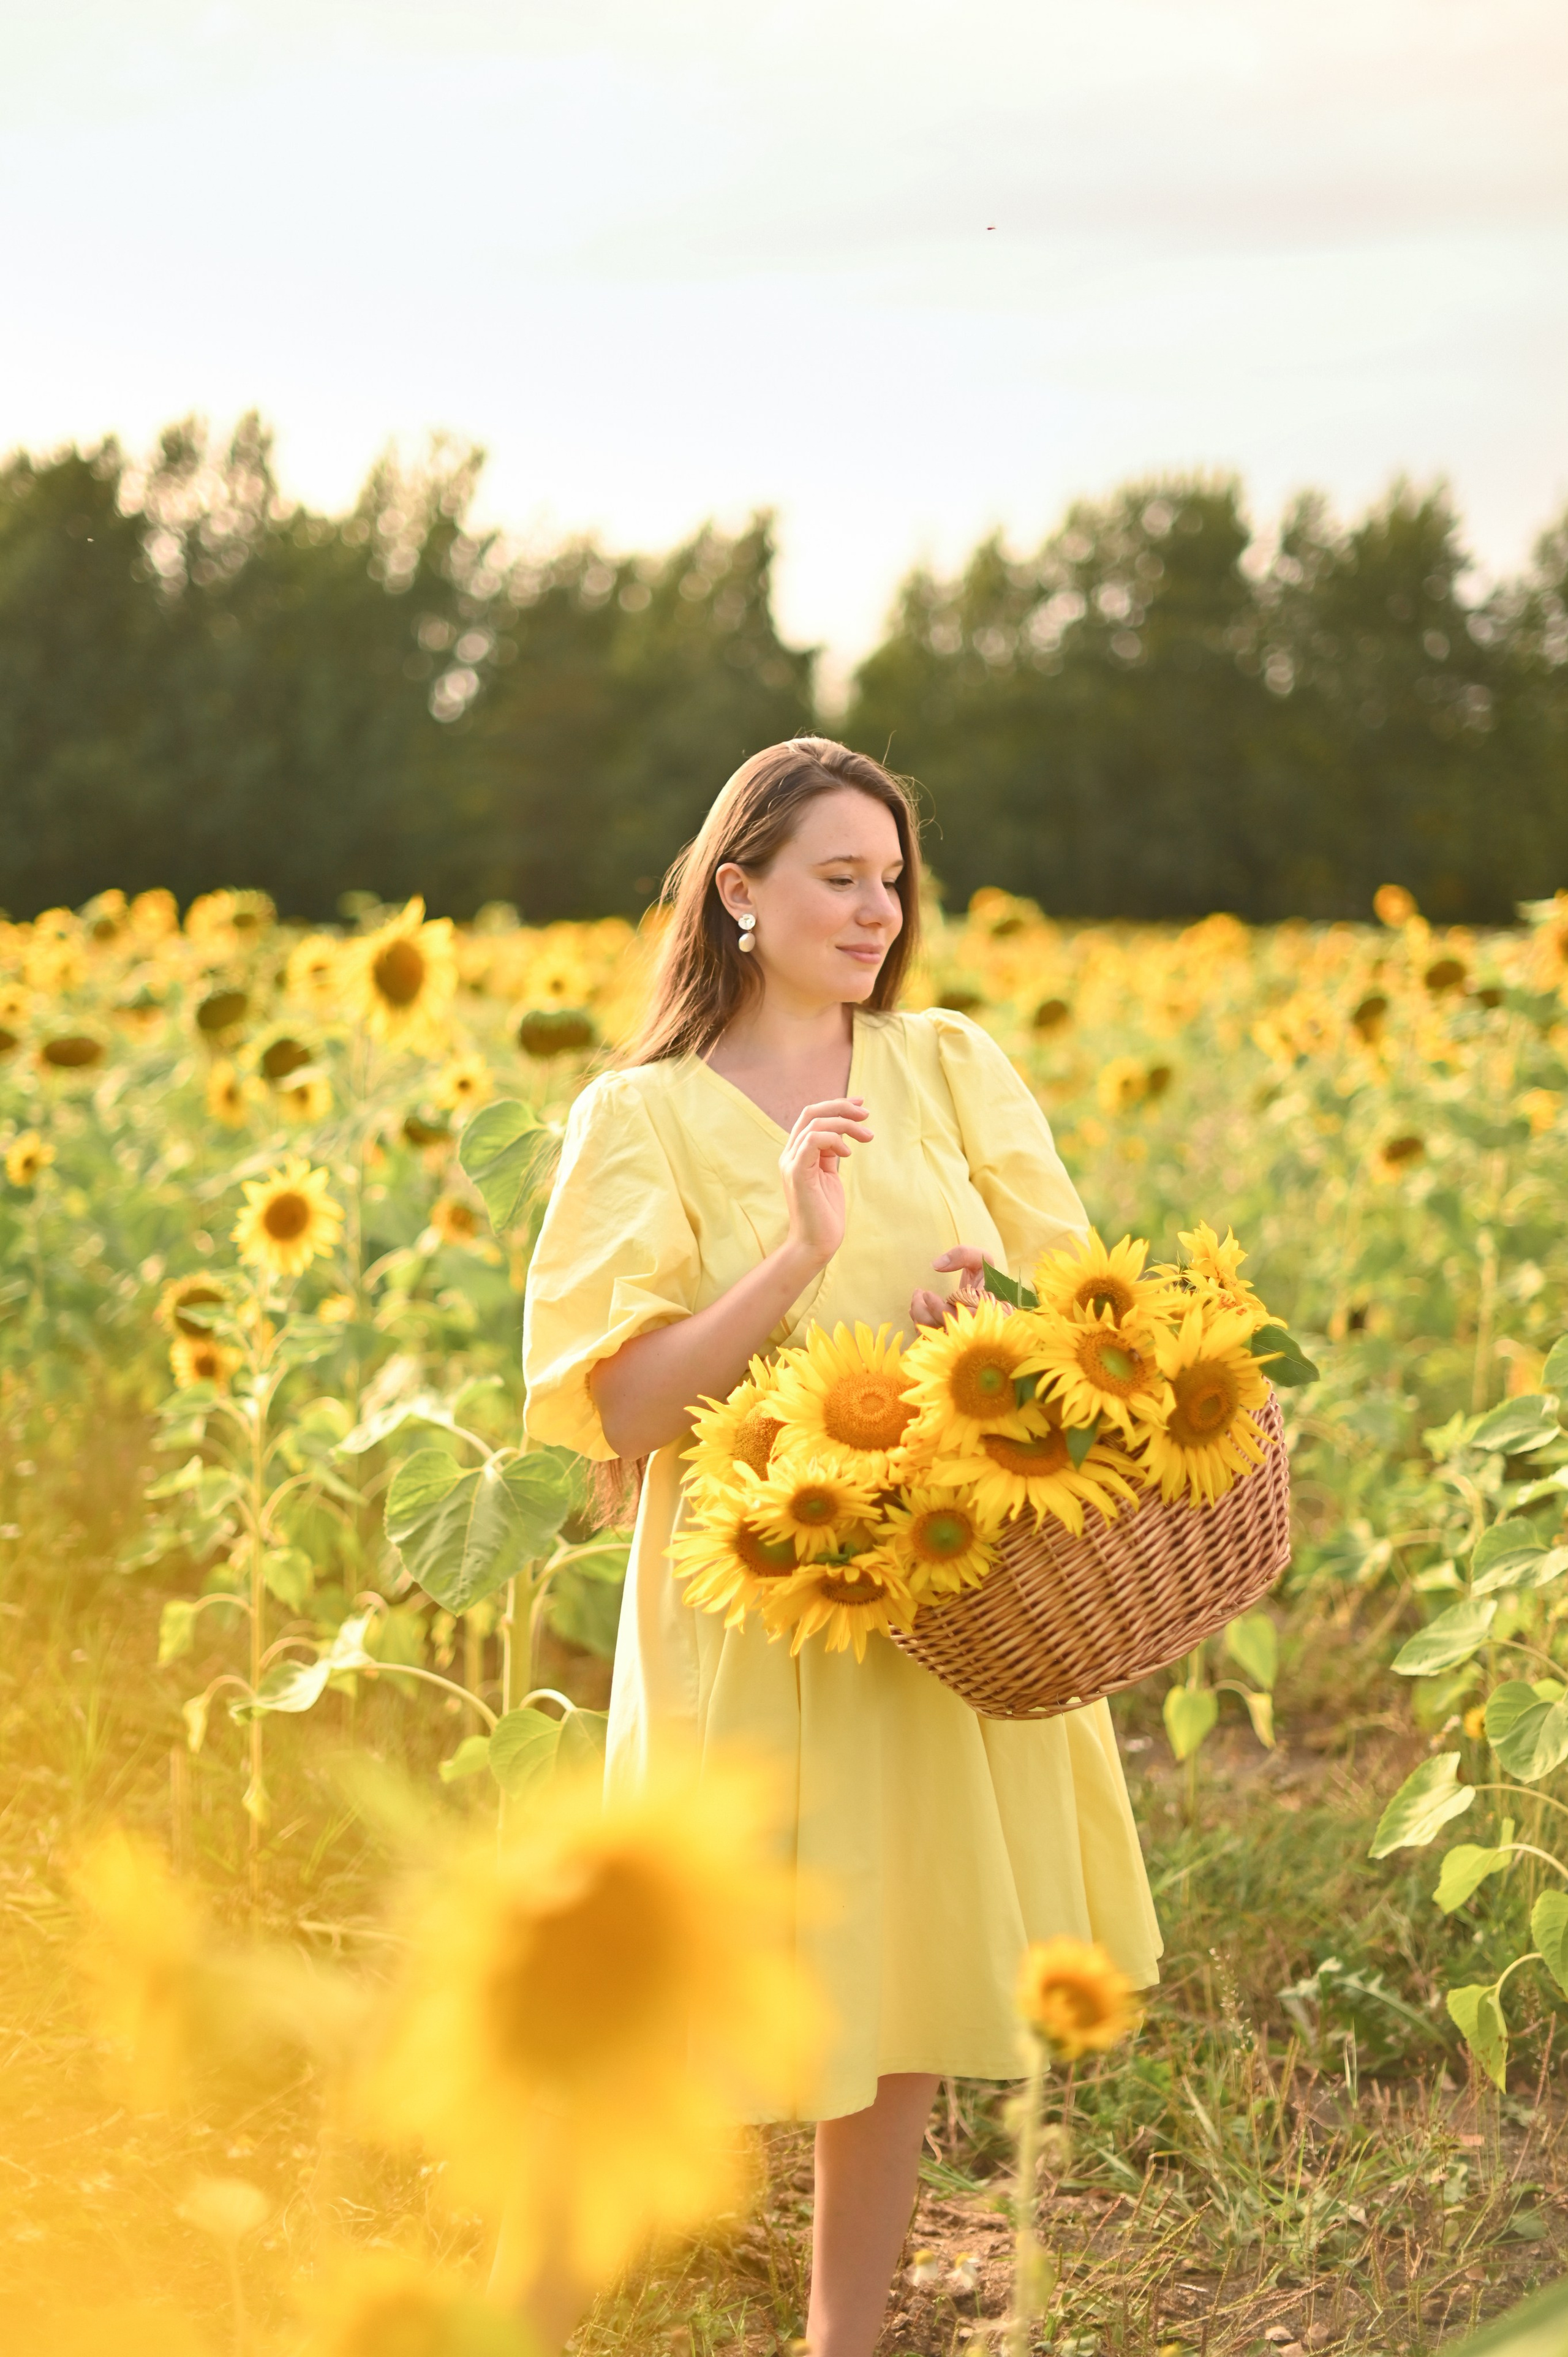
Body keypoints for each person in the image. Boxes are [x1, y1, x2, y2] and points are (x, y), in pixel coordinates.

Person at [522, 738, 1160, 2357]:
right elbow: (623, 1408)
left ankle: (843, 2342)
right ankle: (530, 2303)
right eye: (839, 877)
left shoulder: (945, 1066)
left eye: (892, 881)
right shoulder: (643, 1118)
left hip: (945, 1592)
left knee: (903, 1970)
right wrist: (794, 1259)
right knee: (700, 1979)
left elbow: (1083, 1324)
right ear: (737, 892)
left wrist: (990, 1331)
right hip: (760, 1608)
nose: (879, 911)